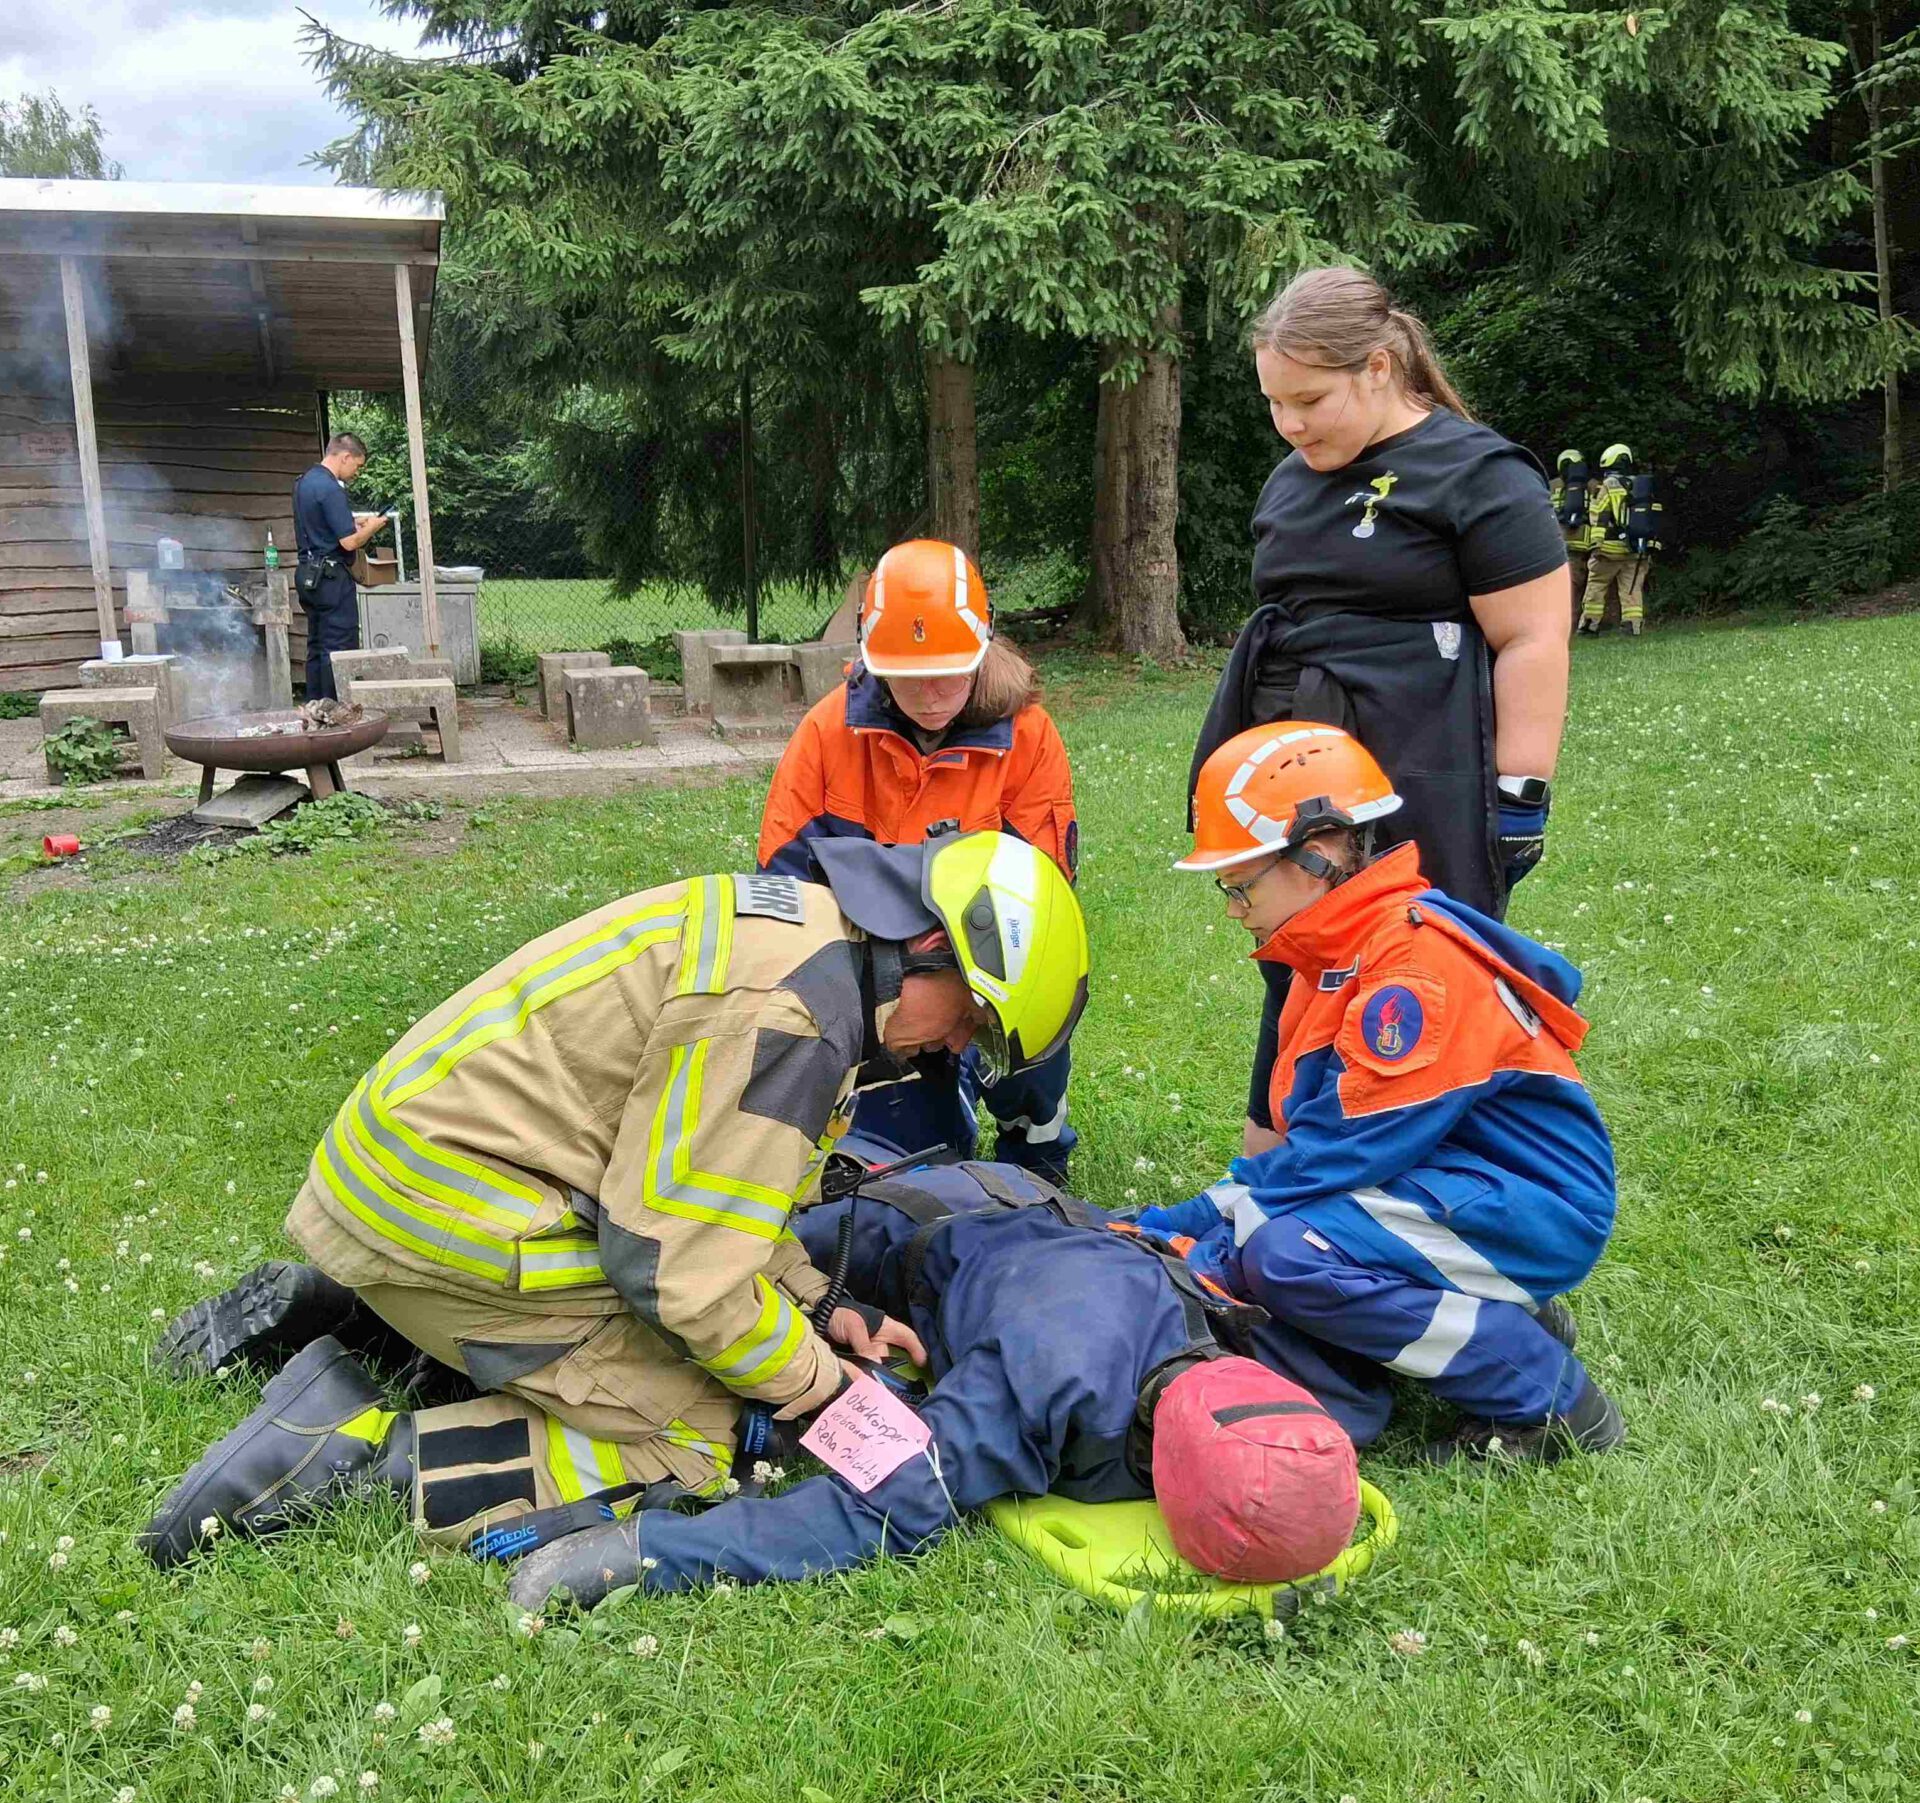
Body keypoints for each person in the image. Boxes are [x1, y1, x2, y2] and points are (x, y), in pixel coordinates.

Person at [137, 832, 1090, 1568]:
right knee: (697, 1431)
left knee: (708, 1351)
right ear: (930, 947)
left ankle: (361, 1314)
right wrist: (822, 1389)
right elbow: (679, 1273)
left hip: (410, 1187)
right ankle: (340, 1463)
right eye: (969, 1020)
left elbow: (726, 1197)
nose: (952, 1049)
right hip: (456, 1218)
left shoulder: (805, 932)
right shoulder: (797, 1015)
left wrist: (820, 1304)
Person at [501, 1151, 1368, 1608]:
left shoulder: (1277, 1383)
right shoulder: (1044, 1386)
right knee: (698, 1254)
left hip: (1038, 1215)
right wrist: (643, 1556)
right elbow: (870, 1508)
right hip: (915, 1222)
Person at [1136, 722, 1625, 1465]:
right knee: (1263, 1243)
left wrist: (1198, 1225)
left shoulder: (1407, 968)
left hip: (1533, 1204)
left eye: (1241, 881)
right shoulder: (1341, 951)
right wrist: (1189, 1223)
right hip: (1459, 1186)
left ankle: (1550, 1398)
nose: (1233, 906)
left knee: (1290, 1257)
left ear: (1320, 851)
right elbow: (1322, 1143)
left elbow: (1343, 1153)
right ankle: (1499, 1318)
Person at [1191, 266, 1570, 1163]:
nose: (1289, 424)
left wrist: (1521, 792)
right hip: (1303, 772)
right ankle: (1272, 1167)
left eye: (1309, 400)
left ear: (1377, 366)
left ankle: (1425, 1176)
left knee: (1417, 966)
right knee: (1299, 960)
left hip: (1424, 762)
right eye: (1274, 404)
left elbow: (1532, 639)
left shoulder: (1479, 474)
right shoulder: (1292, 479)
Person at [759, 539, 1081, 1184]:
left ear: (984, 649)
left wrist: (955, 983)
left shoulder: (1029, 735)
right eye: (909, 675)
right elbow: (784, 889)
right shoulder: (826, 732)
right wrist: (890, 988)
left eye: (951, 672)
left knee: (1035, 1048)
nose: (932, 694)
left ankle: (1036, 1142)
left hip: (988, 956)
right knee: (918, 1160)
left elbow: (1041, 892)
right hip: (872, 969)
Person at [291, 431, 390, 701]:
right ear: (345, 456)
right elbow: (348, 543)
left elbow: (321, 526)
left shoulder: (303, 483)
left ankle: (315, 707)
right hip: (332, 578)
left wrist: (352, 522)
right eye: (357, 465)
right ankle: (335, 711)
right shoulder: (331, 488)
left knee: (317, 645)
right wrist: (370, 528)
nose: (356, 472)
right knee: (339, 648)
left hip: (308, 574)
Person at [1579, 444, 1662, 635]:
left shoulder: (1608, 485)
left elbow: (1599, 514)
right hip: (1635, 548)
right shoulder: (1641, 486)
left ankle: (1589, 625)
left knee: (1597, 586)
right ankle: (1632, 626)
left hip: (1608, 549)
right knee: (1632, 589)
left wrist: (1596, 545)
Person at [1550, 448, 1598, 615]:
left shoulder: (1552, 485)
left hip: (1562, 540)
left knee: (1569, 586)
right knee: (1591, 584)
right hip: (1589, 540)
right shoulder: (1592, 485)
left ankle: (1568, 621)